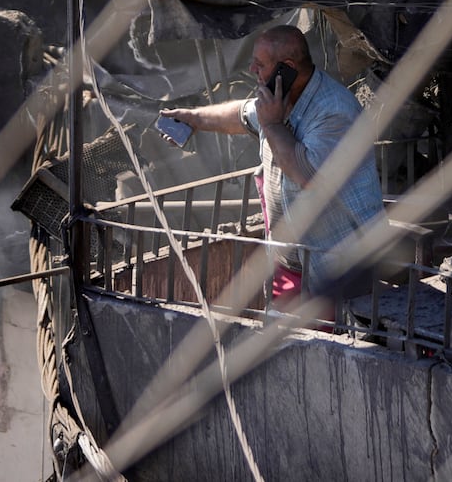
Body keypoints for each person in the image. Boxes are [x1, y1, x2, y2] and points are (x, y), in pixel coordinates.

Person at [160, 25, 384, 317]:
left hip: (338, 265)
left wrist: (273, 126)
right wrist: (193, 118)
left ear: (287, 68)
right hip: (291, 261)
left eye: (260, 64)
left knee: (331, 345)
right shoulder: (278, 99)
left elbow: (308, 176)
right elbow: (241, 115)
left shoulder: (334, 110)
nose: (252, 68)